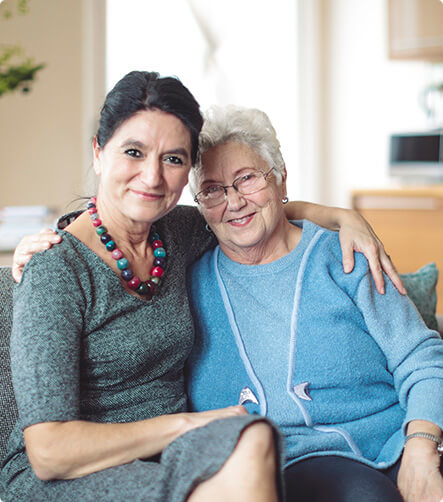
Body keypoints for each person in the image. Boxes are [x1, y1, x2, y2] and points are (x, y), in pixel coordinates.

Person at [5, 72, 404, 501]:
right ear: (99, 153)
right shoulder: (57, 270)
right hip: (78, 469)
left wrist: (343, 217)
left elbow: (252, 209)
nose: (153, 177)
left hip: (174, 451)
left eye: (173, 159)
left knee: (254, 436)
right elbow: (49, 451)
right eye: (134, 152)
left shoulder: (175, 232)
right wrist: (184, 424)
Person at [186, 105, 443, 502]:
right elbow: (118, 225)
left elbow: (419, 355)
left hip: (400, 437)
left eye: (247, 179)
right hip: (297, 463)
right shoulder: (188, 279)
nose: (233, 201)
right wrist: (58, 235)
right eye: (213, 189)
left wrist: (422, 448)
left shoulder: (345, 255)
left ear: (281, 179)